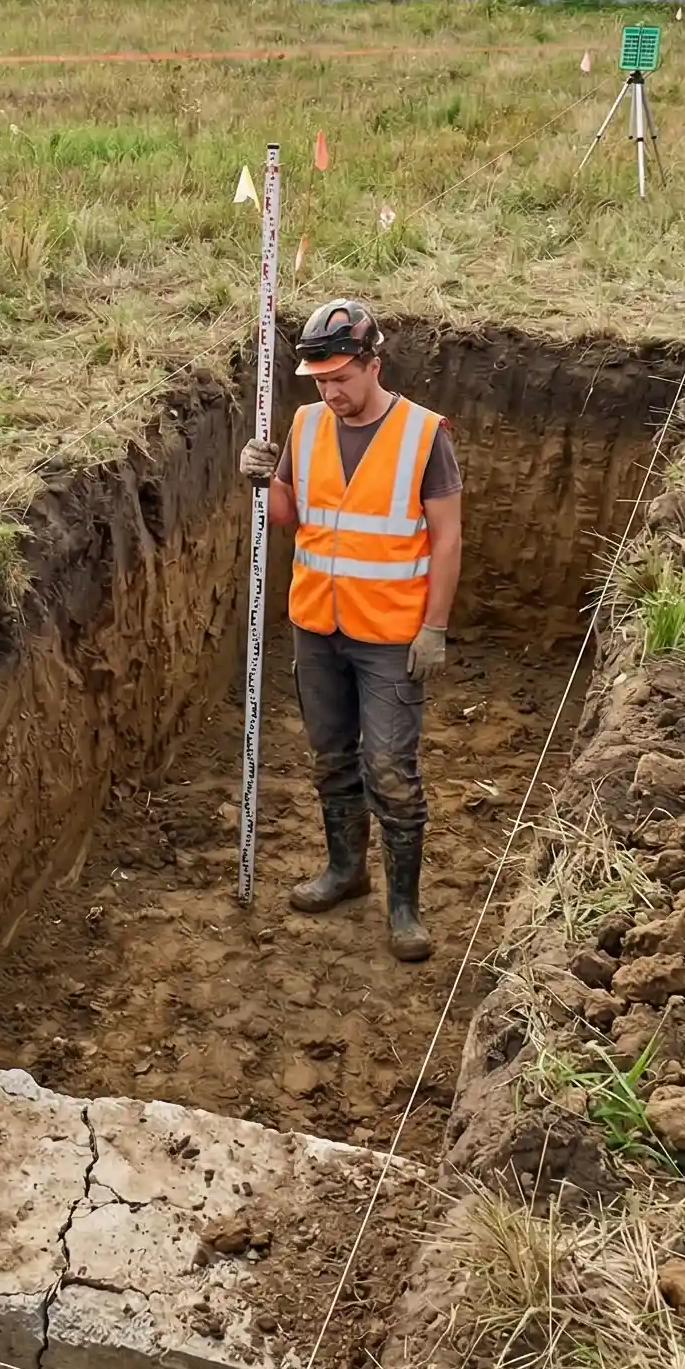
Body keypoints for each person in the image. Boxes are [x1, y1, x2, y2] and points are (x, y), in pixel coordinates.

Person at [239, 298, 462, 962]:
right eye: (321, 381)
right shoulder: (306, 425)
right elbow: (289, 513)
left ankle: (404, 908)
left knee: (389, 768)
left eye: (341, 378)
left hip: (391, 634)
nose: (330, 392)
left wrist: (435, 627)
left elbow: (448, 538)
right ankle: (346, 870)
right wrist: (261, 478)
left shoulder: (424, 435)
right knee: (331, 758)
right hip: (318, 624)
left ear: (373, 365)